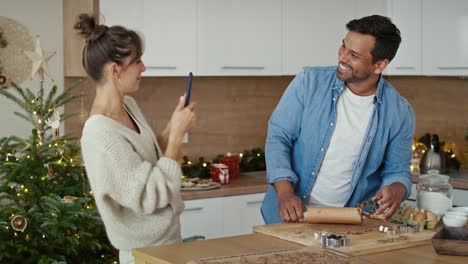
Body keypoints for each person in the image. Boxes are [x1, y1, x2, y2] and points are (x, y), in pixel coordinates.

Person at [261, 15, 415, 224]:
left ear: (379, 65)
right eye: (343, 46)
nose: (342, 57)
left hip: (351, 225)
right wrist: (285, 193)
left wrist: (397, 189)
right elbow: (278, 138)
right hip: (288, 217)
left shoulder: (400, 112)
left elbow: (397, 170)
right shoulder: (309, 83)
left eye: (354, 55)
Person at [75, 14, 196, 263]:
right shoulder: (99, 134)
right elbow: (148, 195)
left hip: (169, 244)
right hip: (144, 254)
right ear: (115, 70)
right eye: (137, 61)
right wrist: (175, 139)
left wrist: (171, 129)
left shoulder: (128, 105)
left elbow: (148, 159)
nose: (144, 68)